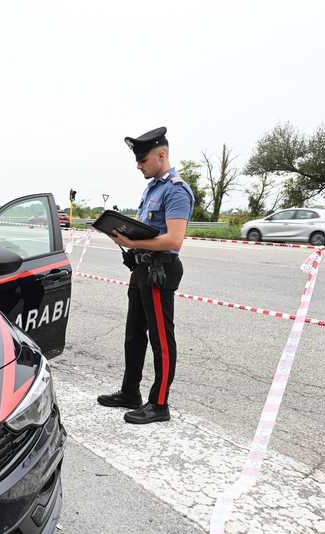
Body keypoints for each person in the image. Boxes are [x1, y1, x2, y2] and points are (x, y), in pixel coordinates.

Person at [97, 126, 194, 424]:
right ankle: (130, 392)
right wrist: (124, 237)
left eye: (143, 160)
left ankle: (159, 403)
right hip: (141, 268)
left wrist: (132, 242)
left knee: (161, 340)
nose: (138, 165)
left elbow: (173, 240)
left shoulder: (176, 190)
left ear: (161, 155)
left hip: (159, 271)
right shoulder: (153, 187)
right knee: (133, 335)